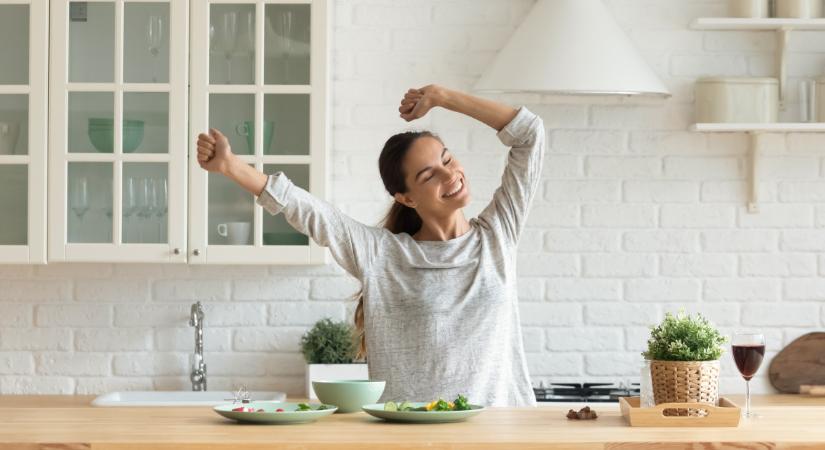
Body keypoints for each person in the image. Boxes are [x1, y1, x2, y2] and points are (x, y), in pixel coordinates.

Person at [196, 85, 545, 407]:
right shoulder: (383, 256)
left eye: (447, 159)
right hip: (411, 442)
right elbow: (308, 211)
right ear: (406, 197)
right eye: (428, 175)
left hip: (501, 436)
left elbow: (529, 134)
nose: (449, 174)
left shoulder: (498, 235)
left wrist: (442, 97)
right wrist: (230, 166)